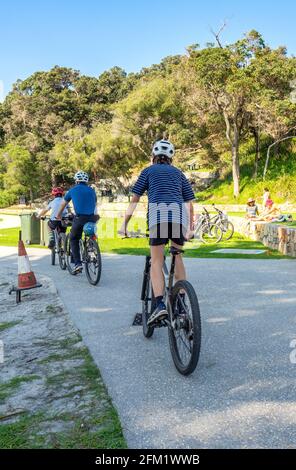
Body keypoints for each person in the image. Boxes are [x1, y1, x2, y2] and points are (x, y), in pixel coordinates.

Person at [119, 139, 195, 326]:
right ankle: (182, 305)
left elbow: (135, 199)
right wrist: (191, 228)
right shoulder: (179, 173)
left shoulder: (148, 171)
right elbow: (190, 203)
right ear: (171, 157)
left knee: (157, 261)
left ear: (153, 156)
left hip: (158, 216)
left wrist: (124, 225)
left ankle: (159, 304)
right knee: (177, 257)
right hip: (178, 217)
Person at [56, 171, 99, 274]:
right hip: (93, 218)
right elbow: (95, 204)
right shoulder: (92, 190)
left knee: (74, 238)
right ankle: (92, 249)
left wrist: (58, 215)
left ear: (76, 180)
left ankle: (77, 264)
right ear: (86, 181)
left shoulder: (72, 190)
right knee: (91, 235)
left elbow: (63, 204)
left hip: (80, 218)